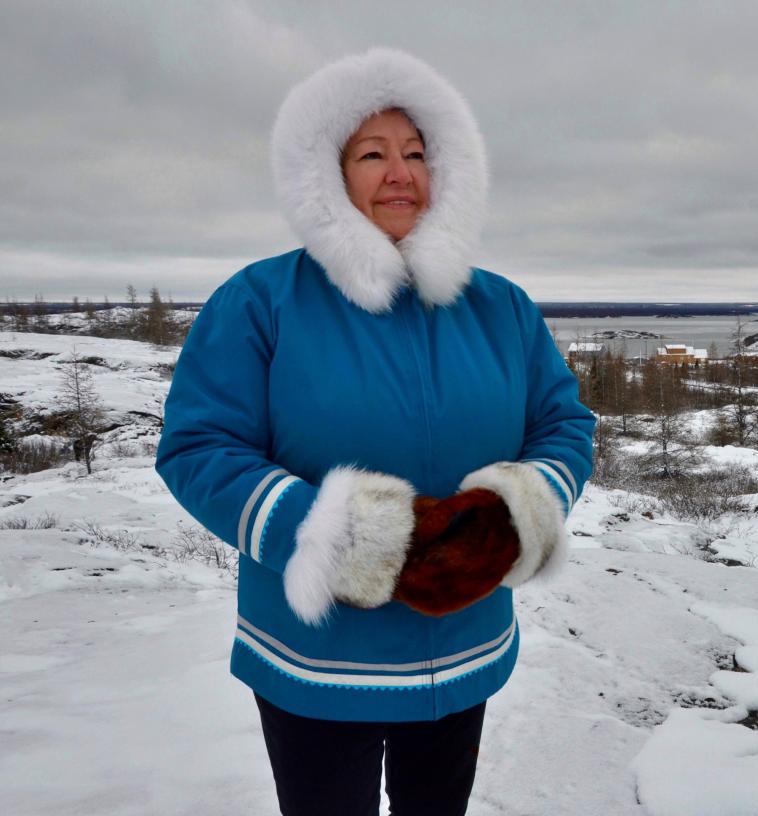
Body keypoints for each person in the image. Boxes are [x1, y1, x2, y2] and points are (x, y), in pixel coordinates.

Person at [156, 48, 594, 816]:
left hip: (463, 649)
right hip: (317, 664)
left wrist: (508, 516)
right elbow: (200, 450)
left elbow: (563, 425)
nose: (401, 173)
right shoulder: (261, 301)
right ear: (327, 176)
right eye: (373, 153)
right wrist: (346, 535)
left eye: (418, 153)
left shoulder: (503, 309)